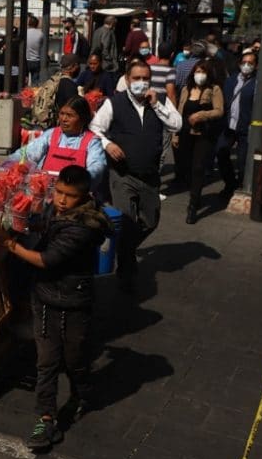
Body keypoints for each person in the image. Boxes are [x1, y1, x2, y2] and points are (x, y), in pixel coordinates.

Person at [0, 165, 109, 451]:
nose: (62, 200)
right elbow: (45, 226)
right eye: (59, 192)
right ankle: (46, 418)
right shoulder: (59, 212)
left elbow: (46, 260)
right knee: (47, 361)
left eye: (70, 196)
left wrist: (9, 243)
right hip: (44, 299)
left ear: (85, 197)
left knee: (75, 359)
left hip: (74, 302)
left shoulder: (83, 229)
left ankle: (81, 392)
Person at [90, 60, 182, 292]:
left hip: (150, 175)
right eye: (136, 78)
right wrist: (108, 144)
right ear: (127, 80)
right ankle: (126, 273)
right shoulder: (115, 102)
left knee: (151, 220)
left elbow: (176, 124)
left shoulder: (159, 101)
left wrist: (157, 105)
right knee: (128, 220)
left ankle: (122, 248)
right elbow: (94, 128)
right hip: (122, 174)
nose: (141, 83)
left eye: (145, 78)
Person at [11, 95, 106, 184]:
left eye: (70, 115)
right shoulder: (51, 134)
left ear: (82, 119)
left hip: (73, 193)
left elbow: (97, 167)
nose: (64, 119)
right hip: (44, 188)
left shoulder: (92, 141)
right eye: (62, 113)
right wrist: (10, 164)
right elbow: (27, 154)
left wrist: (79, 181)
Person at [175, 60, 224, 223]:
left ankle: (193, 206)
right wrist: (175, 134)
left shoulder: (214, 89)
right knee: (187, 167)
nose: (199, 75)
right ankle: (195, 193)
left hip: (204, 135)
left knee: (198, 167)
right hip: (186, 134)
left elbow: (219, 111)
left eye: (203, 72)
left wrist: (202, 115)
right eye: (197, 71)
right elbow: (179, 111)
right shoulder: (186, 89)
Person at [216, 51, 258, 198]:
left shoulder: (257, 82)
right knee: (221, 152)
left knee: (242, 161)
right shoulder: (231, 80)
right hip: (229, 125)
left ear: (256, 65)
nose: (246, 66)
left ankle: (240, 186)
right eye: (244, 62)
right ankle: (230, 183)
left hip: (245, 127)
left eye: (250, 63)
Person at [25, 15, 44, 84]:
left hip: (25, 60)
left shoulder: (25, 33)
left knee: (24, 81)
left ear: (28, 23)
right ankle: (34, 94)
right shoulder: (41, 34)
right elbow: (41, 46)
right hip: (36, 60)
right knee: (35, 82)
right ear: (37, 24)